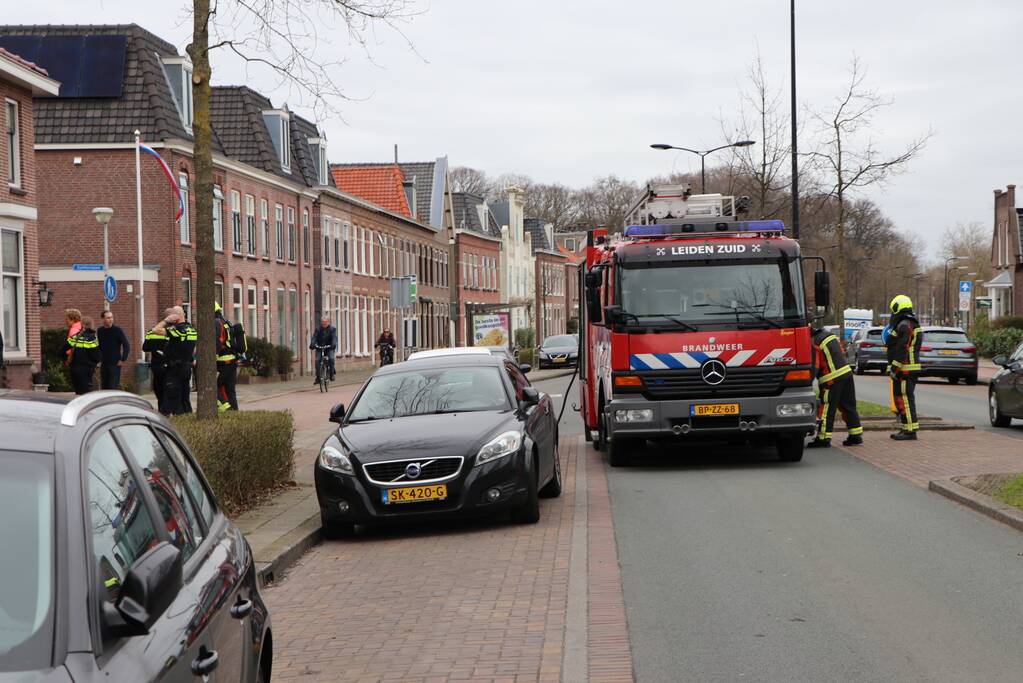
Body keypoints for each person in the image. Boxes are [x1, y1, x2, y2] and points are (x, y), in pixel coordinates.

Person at [808, 326, 863, 448]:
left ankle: (823, 438)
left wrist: (807, 382)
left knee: (827, 408)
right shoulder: (829, 335)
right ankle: (855, 436)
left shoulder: (814, 342)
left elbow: (815, 365)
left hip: (831, 378)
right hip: (847, 373)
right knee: (848, 406)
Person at [886, 294, 922, 441]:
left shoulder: (905, 325)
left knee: (905, 398)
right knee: (901, 398)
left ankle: (910, 431)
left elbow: (902, 348)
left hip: (905, 369)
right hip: (905, 368)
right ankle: (906, 427)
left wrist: (894, 368)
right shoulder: (907, 323)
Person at [162, 307, 197, 416]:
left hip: (175, 369)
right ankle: (187, 417)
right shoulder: (191, 328)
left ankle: (179, 419)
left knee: (174, 397)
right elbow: (192, 348)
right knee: (185, 397)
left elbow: (156, 330)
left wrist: (165, 321)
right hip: (186, 367)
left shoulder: (177, 330)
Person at [143, 308, 175, 408]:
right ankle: (166, 409)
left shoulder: (151, 332)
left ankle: (161, 407)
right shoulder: (173, 332)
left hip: (156, 364)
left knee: (158, 386)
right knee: (168, 387)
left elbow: (145, 347)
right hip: (170, 364)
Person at [64, 316, 101, 395]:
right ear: (91, 325)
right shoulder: (92, 338)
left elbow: (61, 350)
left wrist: (68, 360)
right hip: (87, 370)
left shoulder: (74, 337)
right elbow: (96, 356)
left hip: (74, 369)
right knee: (86, 395)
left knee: (78, 394)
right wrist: (97, 363)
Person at [97, 310, 131, 390]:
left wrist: (123, 359)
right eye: (108, 318)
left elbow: (126, 345)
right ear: (103, 319)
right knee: (104, 387)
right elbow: (98, 346)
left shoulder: (117, 330)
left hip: (115, 364)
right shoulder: (100, 331)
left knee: (113, 387)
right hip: (104, 364)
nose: (111, 319)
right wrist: (98, 359)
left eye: (112, 317)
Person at [215, 303, 239, 411]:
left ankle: (227, 410)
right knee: (230, 390)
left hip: (222, 363)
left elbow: (217, 342)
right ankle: (235, 412)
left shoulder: (216, 322)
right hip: (232, 362)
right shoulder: (226, 322)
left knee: (212, 387)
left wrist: (213, 358)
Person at [309, 315, 338, 384]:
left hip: (329, 348)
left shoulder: (332, 329)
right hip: (320, 348)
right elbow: (314, 337)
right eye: (322, 323)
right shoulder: (318, 329)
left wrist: (333, 344)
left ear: (328, 322)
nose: (324, 324)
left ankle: (331, 374)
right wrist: (312, 344)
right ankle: (318, 378)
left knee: (331, 358)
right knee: (317, 360)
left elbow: (334, 338)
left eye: (325, 322)